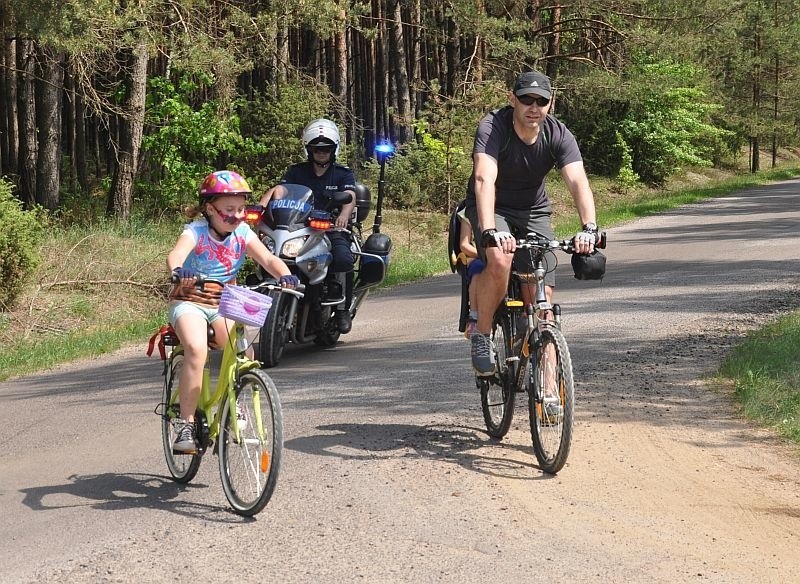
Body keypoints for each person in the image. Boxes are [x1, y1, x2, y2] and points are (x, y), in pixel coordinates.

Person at [464, 70, 598, 379]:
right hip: (492, 206)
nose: (533, 107)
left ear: (551, 103)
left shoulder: (558, 133)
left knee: (542, 305)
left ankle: (549, 389)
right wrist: (488, 231)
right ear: (512, 99)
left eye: (541, 101)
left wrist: (589, 228)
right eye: (526, 99)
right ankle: (483, 336)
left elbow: (578, 181)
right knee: (500, 258)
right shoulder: (493, 126)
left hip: (534, 211)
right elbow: (484, 179)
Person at [167, 170, 298, 454]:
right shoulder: (195, 231)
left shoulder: (242, 232)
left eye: (241, 209)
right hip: (190, 300)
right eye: (229, 210)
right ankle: (186, 424)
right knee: (197, 349)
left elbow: (267, 258)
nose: (237, 215)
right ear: (210, 209)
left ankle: (234, 406)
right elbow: (175, 255)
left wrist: (285, 275)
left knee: (243, 354)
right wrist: (179, 270)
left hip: (224, 301)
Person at [260, 118, 357, 334]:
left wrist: (342, 216)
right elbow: (279, 190)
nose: (321, 153)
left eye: (326, 149)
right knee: (268, 251)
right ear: (308, 149)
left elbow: (350, 196)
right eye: (316, 149)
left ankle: (341, 309)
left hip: (329, 228)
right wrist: (260, 207)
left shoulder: (343, 173)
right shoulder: (297, 171)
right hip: (297, 228)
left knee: (342, 257)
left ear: (334, 150)